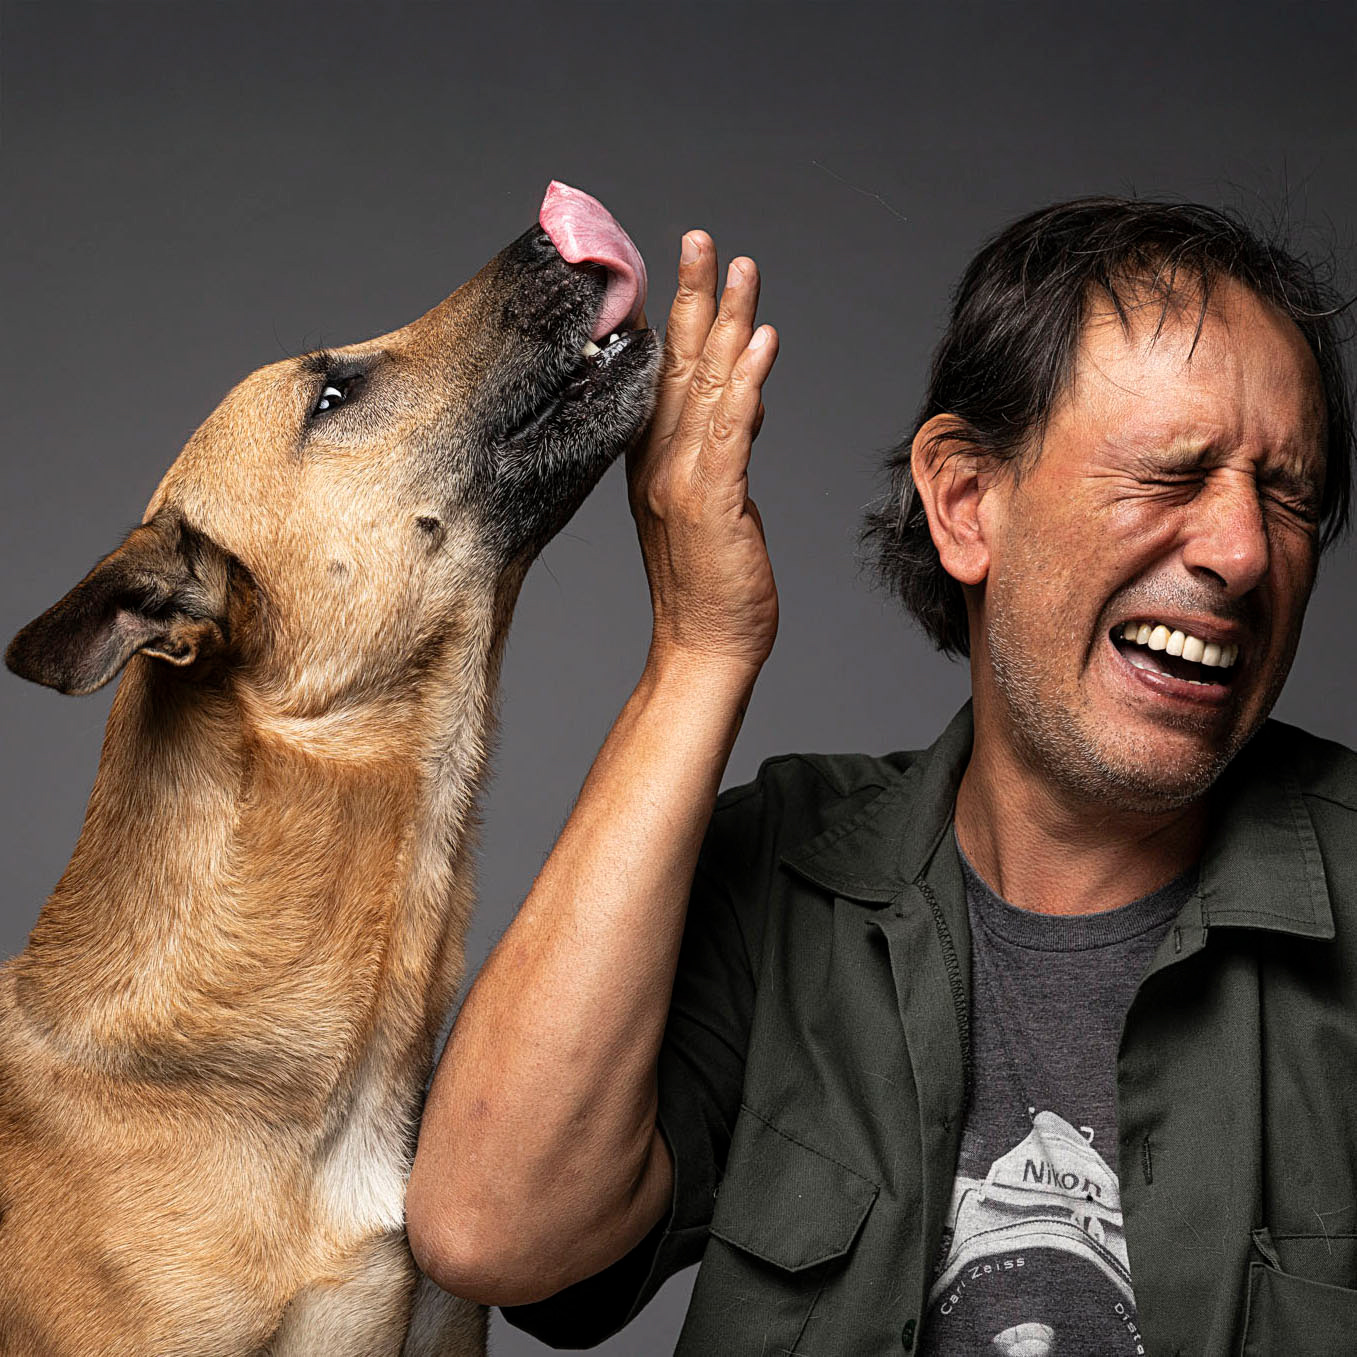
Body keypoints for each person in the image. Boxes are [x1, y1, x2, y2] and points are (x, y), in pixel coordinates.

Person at [405, 199, 1357, 1356]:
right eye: (1172, 473)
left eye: (1288, 495)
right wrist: (699, 651)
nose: (1243, 551)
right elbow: (488, 1227)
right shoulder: (782, 878)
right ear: (964, 501)